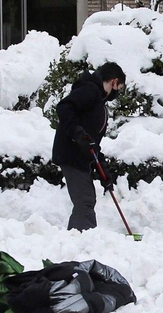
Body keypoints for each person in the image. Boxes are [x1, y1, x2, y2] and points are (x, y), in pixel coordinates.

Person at [51, 62, 127, 231]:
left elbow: (91, 142)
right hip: (71, 153)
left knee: (86, 199)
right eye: (119, 88)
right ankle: (81, 241)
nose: (117, 93)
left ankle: (79, 239)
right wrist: (76, 133)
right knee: (85, 200)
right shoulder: (90, 91)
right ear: (114, 82)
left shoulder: (98, 100)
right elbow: (64, 107)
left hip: (80, 155)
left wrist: (104, 173)